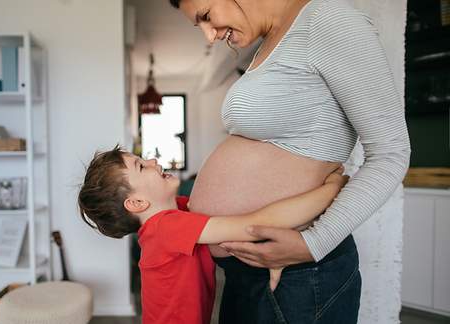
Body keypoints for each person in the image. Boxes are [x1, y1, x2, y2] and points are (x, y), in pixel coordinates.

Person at [168, 0, 411, 323]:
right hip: (249, 272)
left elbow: (391, 152)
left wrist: (313, 243)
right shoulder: (270, 41)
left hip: (297, 275)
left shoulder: (327, 21)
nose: (209, 36)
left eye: (207, 17)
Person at [77, 146, 349, 324]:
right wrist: (332, 187)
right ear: (136, 204)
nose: (151, 160)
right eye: (140, 166)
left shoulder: (178, 212)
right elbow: (255, 225)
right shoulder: (166, 228)